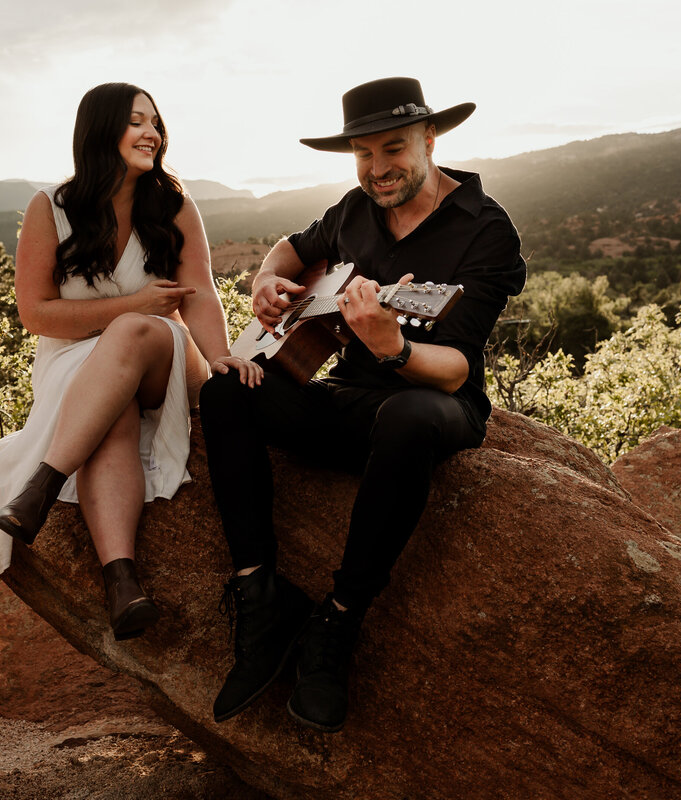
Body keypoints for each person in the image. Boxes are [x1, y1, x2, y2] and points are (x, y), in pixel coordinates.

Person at [199, 77, 526, 732]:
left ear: (430, 139)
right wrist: (267, 282)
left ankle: (340, 619)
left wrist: (394, 348)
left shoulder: (484, 230)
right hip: (344, 400)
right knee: (224, 391)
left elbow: (456, 365)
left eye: (393, 149)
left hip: (434, 404)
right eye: (364, 154)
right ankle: (262, 595)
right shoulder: (351, 211)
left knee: (406, 415)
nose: (378, 169)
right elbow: (292, 251)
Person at [0, 82, 261, 639]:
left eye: (155, 122)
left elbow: (202, 292)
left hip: (164, 358)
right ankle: (123, 581)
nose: (152, 133)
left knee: (133, 330)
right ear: (101, 131)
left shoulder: (174, 204)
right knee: (111, 413)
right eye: (136, 122)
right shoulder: (51, 208)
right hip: (73, 366)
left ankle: (42, 484)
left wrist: (219, 357)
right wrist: (132, 306)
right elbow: (36, 314)